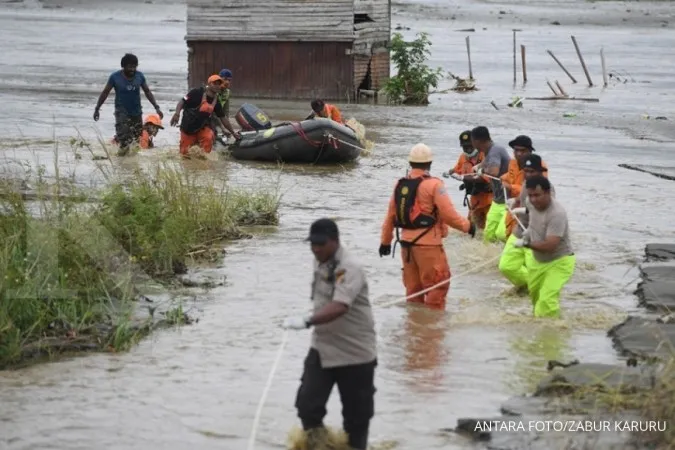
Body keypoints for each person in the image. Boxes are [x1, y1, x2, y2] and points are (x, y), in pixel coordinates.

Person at [282, 218, 377, 450]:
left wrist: (307, 320)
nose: (315, 249)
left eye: (320, 244)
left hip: (355, 352)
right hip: (323, 347)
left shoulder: (350, 266)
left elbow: (340, 306)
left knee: (357, 417)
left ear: (335, 241)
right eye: (312, 244)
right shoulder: (319, 261)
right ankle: (320, 445)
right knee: (307, 406)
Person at [380, 143, 476, 310]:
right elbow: (449, 215)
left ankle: (414, 329)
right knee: (437, 289)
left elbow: (390, 216)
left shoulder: (400, 185)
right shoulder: (434, 185)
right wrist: (468, 226)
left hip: (406, 246)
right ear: (430, 164)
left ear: (410, 163)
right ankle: (432, 331)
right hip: (429, 246)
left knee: (413, 293)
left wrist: (385, 242)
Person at [515, 175, 575, 318]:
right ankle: (539, 332)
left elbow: (550, 246)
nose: (534, 199)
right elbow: (533, 216)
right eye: (530, 195)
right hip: (538, 261)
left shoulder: (557, 214)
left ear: (548, 193)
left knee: (546, 302)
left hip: (559, 261)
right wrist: (527, 229)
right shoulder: (530, 202)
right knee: (535, 300)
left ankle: (552, 336)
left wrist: (526, 244)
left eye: (537, 195)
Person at [499, 154, 554, 290]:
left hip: (536, 236)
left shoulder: (547, 189)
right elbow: (520, 197)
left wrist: (523, 210)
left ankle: (538, 288)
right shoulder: (525, 184)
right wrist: (514, 201)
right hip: (519, 232)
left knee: (535, 269)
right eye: (526, 171)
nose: (528, 174)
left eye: (532, 171)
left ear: (540, 172)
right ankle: (527, 287)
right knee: (506, 266)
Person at [94, 53, 163, 156]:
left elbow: (147, 92)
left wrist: (157, 107)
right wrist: (97, 108)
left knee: (135, 141)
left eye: (134, 66)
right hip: (121, 112)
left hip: (136, 112)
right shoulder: (115, 77)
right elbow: (105, 92)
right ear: (123, 66)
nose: (132, 69)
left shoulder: (140, 76)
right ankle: (122, 162)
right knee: (124, 139)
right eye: (130, 66)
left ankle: (129, 160)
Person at [169, 74, 241, 157]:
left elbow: (223, 118)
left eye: (219, 84)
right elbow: (182, 102)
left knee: (208, 137)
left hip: (202, 127)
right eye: (215, 84)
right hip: (187, 127)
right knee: (185, 155)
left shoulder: (216, 101)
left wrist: (233, 132)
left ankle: (205, 162)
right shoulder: (196, 92)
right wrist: (177, 114)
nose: (217, 86)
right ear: (209, 84)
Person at [499, 135, 548, 240]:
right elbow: (510, 175)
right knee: (504, 234)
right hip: (513, 204)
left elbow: (537, 189)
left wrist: (511, 187)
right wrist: (503, 178)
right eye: (516, 150)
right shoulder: (512, 163)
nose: (519, 154)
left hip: (528, 209)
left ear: (530, 151)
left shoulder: (540, 166)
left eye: (523, 151)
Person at [442, 130, 493, 229]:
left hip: (489, 200)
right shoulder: (463, 157)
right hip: (475, 200)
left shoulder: (486, 156)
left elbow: (485, 178)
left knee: (489, 229)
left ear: (476, 144)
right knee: (471, 229)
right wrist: (449, 172)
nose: (468, 149)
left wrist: (463, 177)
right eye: (465, 147)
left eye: (470, 146)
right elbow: (457, 168)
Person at [470, 126, 511, 243]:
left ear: (477, 141)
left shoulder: (495, 151)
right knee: (488, 236)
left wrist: (481, 171)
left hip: (508, 200)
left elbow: (494, 171)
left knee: (502, 234)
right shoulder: (490, 150)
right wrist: (479, 166)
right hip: (497, 200)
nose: (472, 144)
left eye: (472, 141)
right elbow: (487, 160)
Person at [210, 68, 234, 141]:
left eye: (229, 80)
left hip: (219, 114)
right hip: (209, 115)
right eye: (225, 79)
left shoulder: (227, 92)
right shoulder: (213, 90)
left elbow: (226, 111)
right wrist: (222, 127)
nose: (227, 82)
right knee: (212, 132)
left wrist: (227, 127)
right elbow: (213, 112)